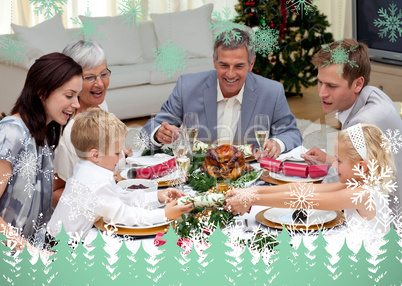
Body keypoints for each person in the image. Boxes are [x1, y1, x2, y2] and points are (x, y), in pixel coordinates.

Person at [141, 28, 301, 159]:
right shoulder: (187, 86)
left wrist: (278, 144)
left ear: (251, 64)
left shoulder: (272, 91)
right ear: (214, 61)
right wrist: (158, 134)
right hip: (199, 173)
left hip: (250, 173)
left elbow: (291, 132)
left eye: (239, 66)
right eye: (224, 65)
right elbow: (148, 130)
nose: (230, 74)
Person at [48, 108, 194, 240]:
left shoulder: (87, 167)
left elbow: (120, 195)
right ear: (95, 155)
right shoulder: (96, 182)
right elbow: (123, 215)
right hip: (60, 249)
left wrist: (158, 197)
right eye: (117, 153)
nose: (120, 158)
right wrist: (164, 214)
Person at [225, 123, 395, 235]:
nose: (334, 165)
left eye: (339, 161)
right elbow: (301, 190)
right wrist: (250, 191)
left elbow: (303, 199)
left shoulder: (363, 194)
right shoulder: (357, 183)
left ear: (361, 167)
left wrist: (252, 199)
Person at [300, 39, 402, 205]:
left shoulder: (361, 124)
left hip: (382, 220)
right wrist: (330, 159)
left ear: (358, 83)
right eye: (320, 82)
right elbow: (365, 166)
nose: (322, 93)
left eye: (332, 86)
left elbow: (334, 190)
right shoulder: (374, 94)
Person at [0, 53, 82, 252]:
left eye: (77, 96)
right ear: (42, 92)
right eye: (69, 95)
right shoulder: (11, 133)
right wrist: (33, 255)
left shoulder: (44, 136)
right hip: (14, 259)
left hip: (34, 251)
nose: (77, 104)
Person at [52, 40, 128, 208]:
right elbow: (53, 192)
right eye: (90, 77)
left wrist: (117, 152)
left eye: (103, 74)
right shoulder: (66, 130)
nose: (100, 83)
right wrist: (96, 204)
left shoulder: (100, 106)